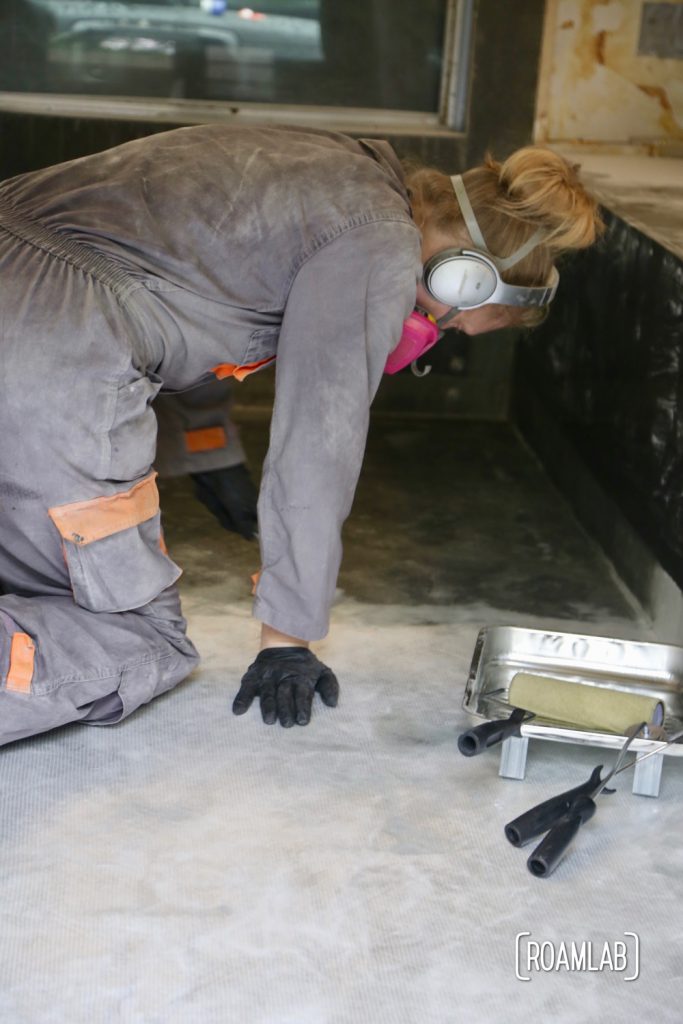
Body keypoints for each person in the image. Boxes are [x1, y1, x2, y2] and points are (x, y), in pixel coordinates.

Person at [0, 125, 600, 743]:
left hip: (29, 295)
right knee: (134, 641)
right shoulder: (378, 245)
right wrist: (287, 637)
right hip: (46, 355)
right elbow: (318, 441)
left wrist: (210, 452)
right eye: (443, 320)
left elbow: (171, 289)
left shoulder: (340, 164)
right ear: (462, 277)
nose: (425, 330)